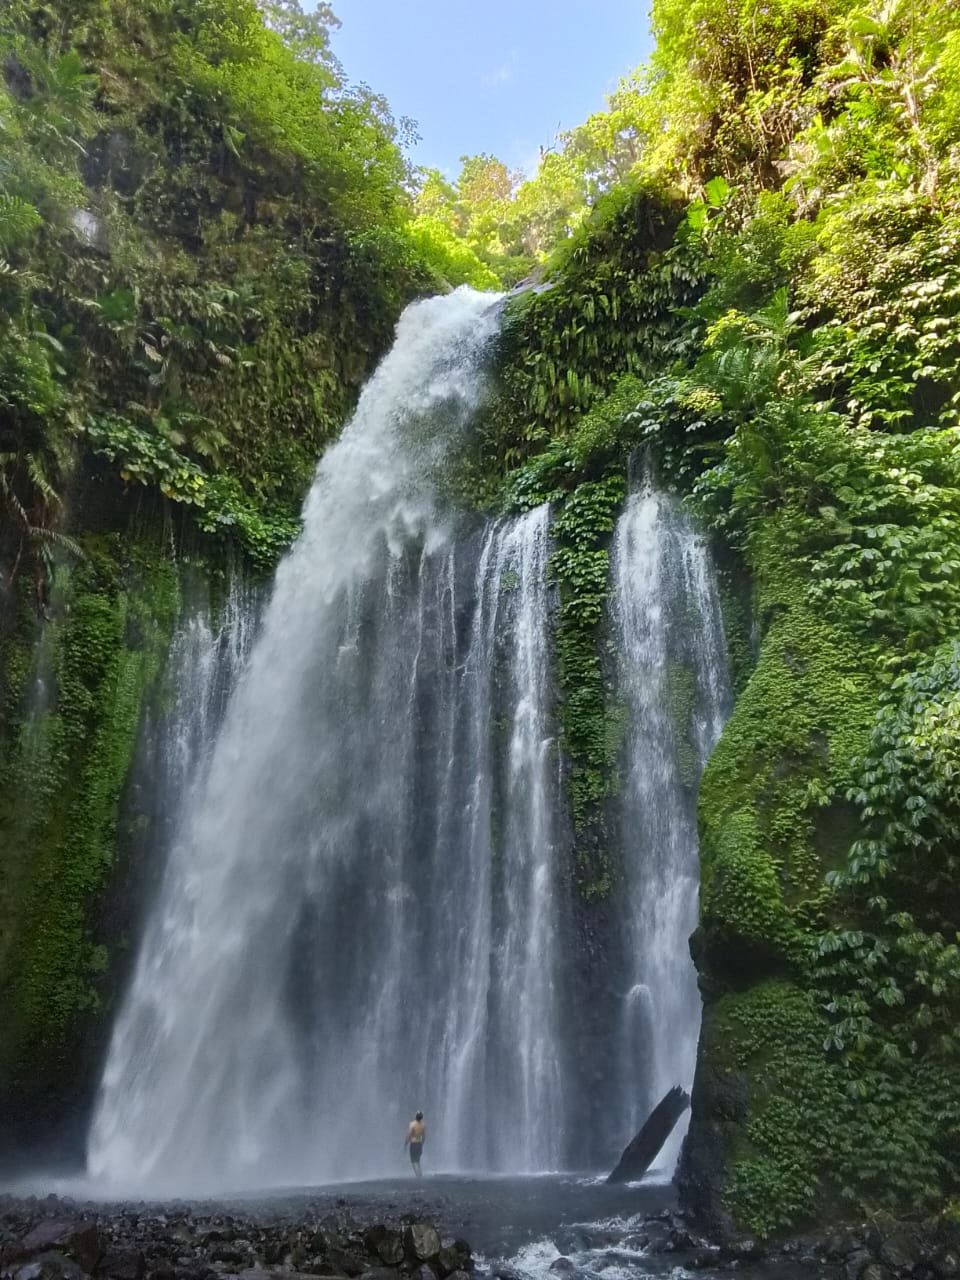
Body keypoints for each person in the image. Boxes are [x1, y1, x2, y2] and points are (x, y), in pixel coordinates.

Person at [404, 1111, 426, 1177]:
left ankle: (417, 1175)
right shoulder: (423, 1125)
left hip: (413, 1144)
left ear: (416, 1116)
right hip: (419, 1143)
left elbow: (409, 1135)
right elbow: (424, 1136)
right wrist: (422, 1144)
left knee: (413, 1161)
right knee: (418, 1160)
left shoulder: (412, 1124)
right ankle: (420, 1173)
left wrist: (406, 1143)